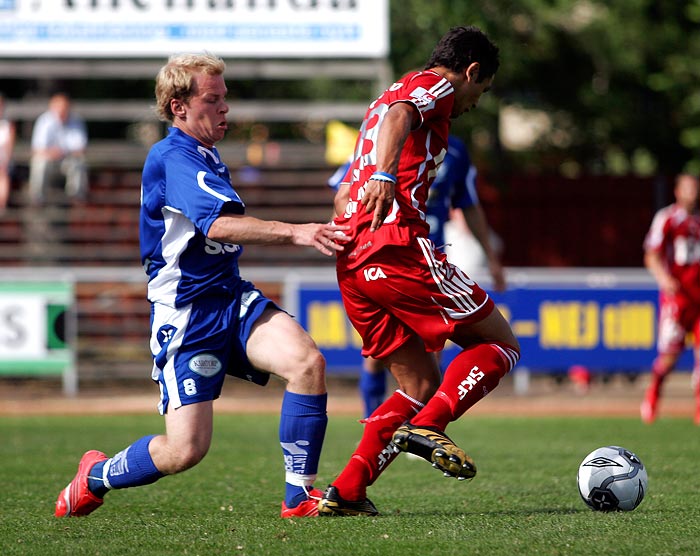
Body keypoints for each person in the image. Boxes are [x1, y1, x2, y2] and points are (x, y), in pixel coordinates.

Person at [54, 52, 350, 519]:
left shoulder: (204, 152)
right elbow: (216, 226)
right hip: (187, 311)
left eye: (224, 99)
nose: (224, 109)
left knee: (307, 362)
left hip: (230, 296)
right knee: (185, 450)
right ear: (179, 106)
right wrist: (297, 230)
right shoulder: (173, 156)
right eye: (213, 100)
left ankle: (299, 497)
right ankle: (95, 475)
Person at [318, 26, 521, 516]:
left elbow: (347, 187)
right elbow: (402, 115)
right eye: (483, 89)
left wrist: (367, 191)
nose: (474, 101)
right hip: (398, 247)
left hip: (354, 255)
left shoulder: (382, 97)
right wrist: (387, 175)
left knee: (419, 386)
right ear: (472, 72)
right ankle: (430, 428)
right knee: (502, 345)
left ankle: (348, 491)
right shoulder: (436, 87)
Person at [329, 134, 507, 418]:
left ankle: (415, 427)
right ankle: (376, 421)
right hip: (384, 255)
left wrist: (492, 258)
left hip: (426, 258)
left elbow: (468, 204)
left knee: (431, 351)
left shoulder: (456, 150)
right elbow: (343, 191)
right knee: (379, 356)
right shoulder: (382, 141)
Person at [640, 173, 700, 425]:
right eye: (687, 188)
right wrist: (664, 279)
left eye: (695, 188)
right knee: (669, 355)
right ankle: (653, 393)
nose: (692, 193)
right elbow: (651, 254)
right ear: (677, 191)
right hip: (677, 299)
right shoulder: (668, 218)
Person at [28, 92, 88, 204]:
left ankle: (75, 197)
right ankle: (37, 198)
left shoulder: (76, 121)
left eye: (64, 108)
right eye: (58, 107)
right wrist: (51, 153)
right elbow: (37, 149)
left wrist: (63, 152)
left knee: (79, 161)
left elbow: (81, 148)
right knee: (39, 162)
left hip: (67, 160)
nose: (61, 111)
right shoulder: (44, 121)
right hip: (49, 160)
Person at [0, 93, 16, 211]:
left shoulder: (8, 125)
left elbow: (9, 148)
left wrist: (5, 162)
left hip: (3, 161)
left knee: (3, 175)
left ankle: (1, 207)